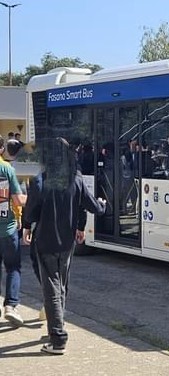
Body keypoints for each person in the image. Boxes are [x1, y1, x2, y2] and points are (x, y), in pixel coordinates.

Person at [22, 137, 106, 355]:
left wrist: (26, 227)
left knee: (50, 286)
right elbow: (92, 206)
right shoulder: (76, 179)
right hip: (67, 241)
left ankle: (58, 337)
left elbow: (31, 210)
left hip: (45, 239)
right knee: (61, 284)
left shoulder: (40, 180)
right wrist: (102, 205)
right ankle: (59, 325)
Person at [0, 138, 27, 326]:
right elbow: (18, 200)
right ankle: (10, 305)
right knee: (13, 267)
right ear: (2, 149)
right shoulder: (7, 170)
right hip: (7, 228)